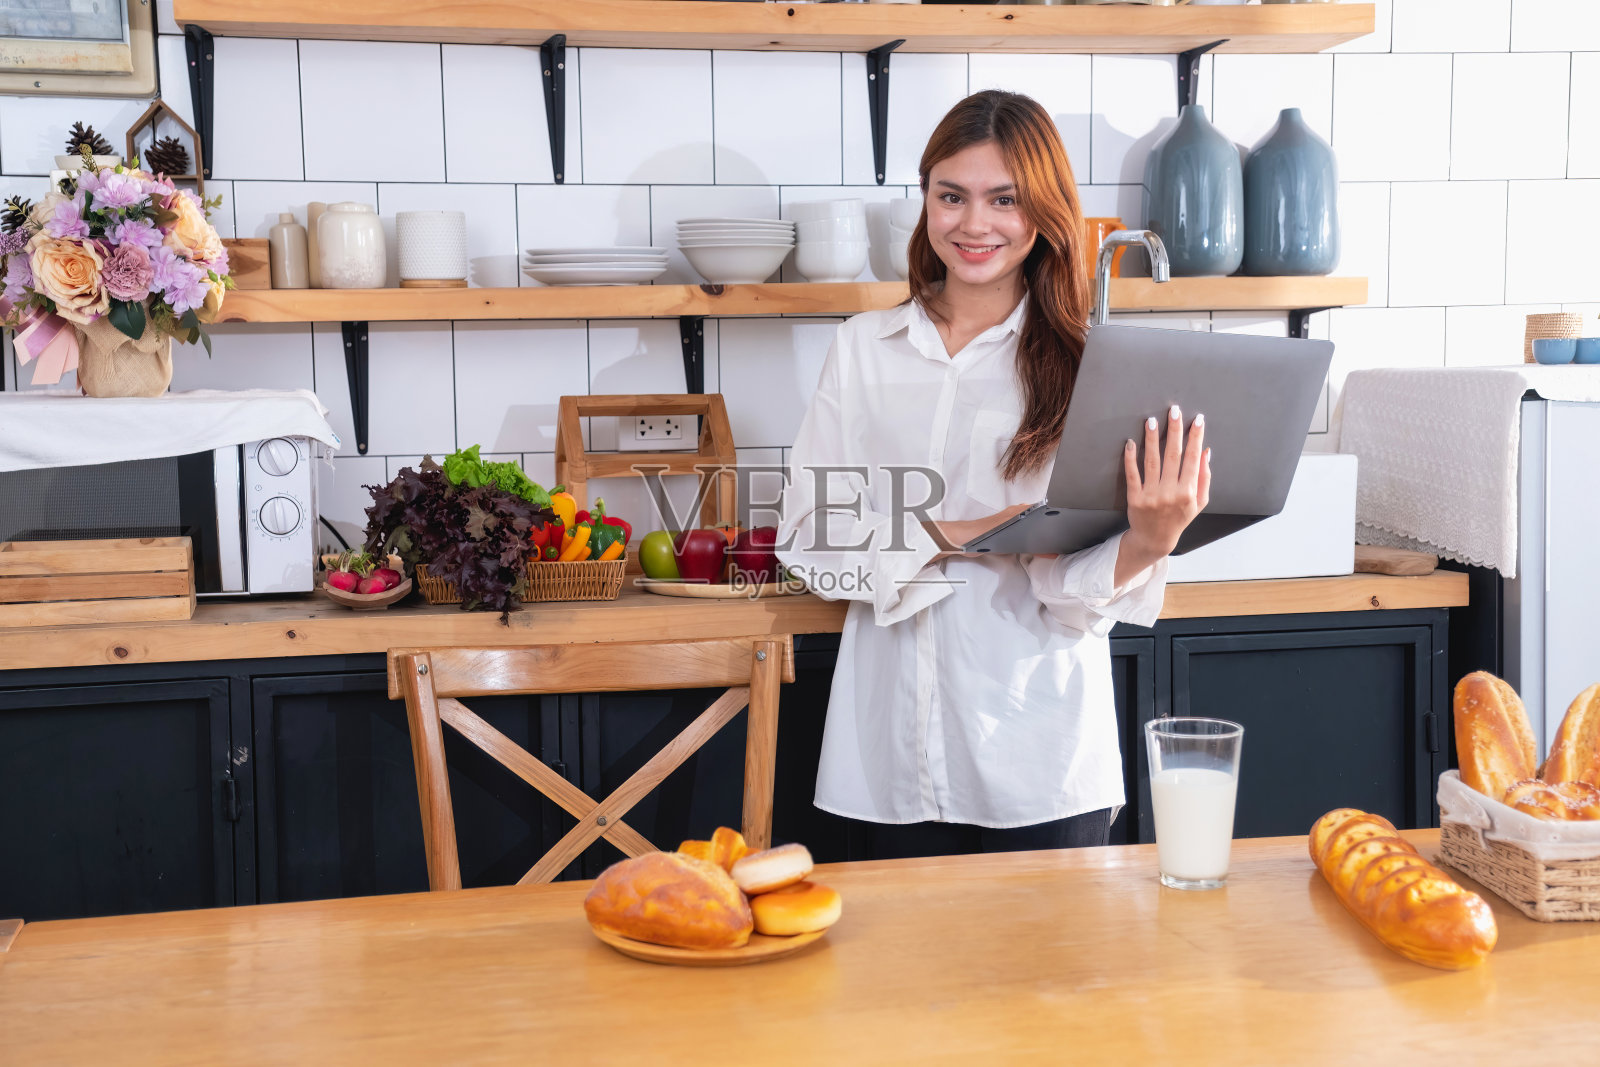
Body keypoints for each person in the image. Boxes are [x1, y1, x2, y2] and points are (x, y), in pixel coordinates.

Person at [776, 90, 1212, 860]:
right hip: (879, 765)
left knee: (1046, 982)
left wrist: (1149, 541)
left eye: (1003, 199)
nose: (974, 224)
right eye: (953, 196)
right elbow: (809, 538)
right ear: (927, 202)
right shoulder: (862, 348)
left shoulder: (1091, 368)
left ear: (1042, 212)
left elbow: (1066, 588)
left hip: (1036, 763)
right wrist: (966, 532)